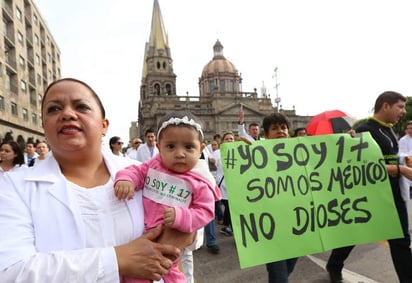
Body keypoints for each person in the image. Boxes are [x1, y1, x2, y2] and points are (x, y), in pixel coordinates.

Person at [0, 78, 194, 282]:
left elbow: (188, 215)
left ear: (104, 125)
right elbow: (11, 272)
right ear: (44, 126)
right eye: (54, 109)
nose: (66, 114)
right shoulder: (13, 185)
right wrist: (117, 259)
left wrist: (185, 231)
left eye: (81, 106)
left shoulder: (141, 173)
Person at [114, 111, 221, 283]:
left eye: (188, 147)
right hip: (140, 238)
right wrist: (126, 180)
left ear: (201, 149)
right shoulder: (154, 165)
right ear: (159, 147)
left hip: (171, 242)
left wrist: (182, 216)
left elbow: (206, 211)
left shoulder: (200, 181)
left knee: (170, 272)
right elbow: (136, 171)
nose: (180, 153)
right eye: (171, 146)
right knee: (134, 274)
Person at [326, 91, 412, 283]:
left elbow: (387, 157)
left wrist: (403, 162)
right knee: (355, 232)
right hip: (370, 196)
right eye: (400, 107)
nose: (403, 111)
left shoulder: (389, 129)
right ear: (385, 106)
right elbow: (365, 167)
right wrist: (401, 169)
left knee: (401, 242)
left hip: (394, 194)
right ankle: (334, 264)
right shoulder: (365, 130)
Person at [259, 112, 299, 283]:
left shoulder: (301, 156)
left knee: (288, 267)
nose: (281, 131)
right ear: (266, 135)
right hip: (271, 227)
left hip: (298, 224)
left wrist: (348, 141)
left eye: (283, 128)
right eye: (274, 128)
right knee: (279, 277)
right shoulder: (256, 158)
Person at [214, 131, 236, 237]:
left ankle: (227, 225)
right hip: (223, 186)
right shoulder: (218, 153)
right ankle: (232, 227)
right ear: (222, 141)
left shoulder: (237, 152)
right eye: (227, 139)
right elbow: (214, 164)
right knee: (230, 207)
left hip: (235, 186)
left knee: (229, 208)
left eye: (231, 138)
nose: (229, 140)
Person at [398, 120, 412, 204]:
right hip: (407, 166)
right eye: (408, 128)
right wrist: (406, 156)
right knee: (406, 195)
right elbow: (400, 154)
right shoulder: (403, 140)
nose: (410, 130)